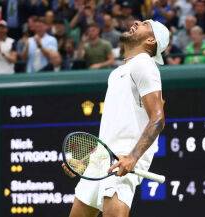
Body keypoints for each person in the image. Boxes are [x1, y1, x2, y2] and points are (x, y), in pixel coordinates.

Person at [62, 19, 169, 217]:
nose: (137, 21)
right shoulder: (118, 72)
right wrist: (86, 160)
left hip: (123, 159)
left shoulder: (145, 64)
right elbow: (115, 127)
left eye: (145, 24)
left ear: (151, 40)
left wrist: (133, 157)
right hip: (100, 160)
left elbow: (158, 118)